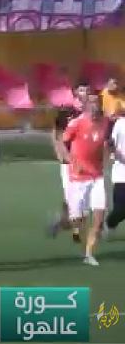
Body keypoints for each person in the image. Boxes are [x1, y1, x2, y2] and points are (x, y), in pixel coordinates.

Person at [62, 93, 108, 266]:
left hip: (97, 176)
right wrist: (72, 162)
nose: (95, 105)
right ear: (87, 105)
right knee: (79, 219)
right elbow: (62, 142)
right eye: (92, 102)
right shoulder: (77, 123)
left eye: (97, 102)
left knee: (99, 216)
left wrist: (106, 157)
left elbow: (105, 143)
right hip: (79, 177)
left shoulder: (104, 122)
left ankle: (89, 253)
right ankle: (67, 223)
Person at [46, 106, 83, 243]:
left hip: (74, 166)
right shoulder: (59, 133)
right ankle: (72, 228)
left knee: (74, 198)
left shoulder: (74, 130)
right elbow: (62, 152)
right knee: (72, 197)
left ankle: (66, 223)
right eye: (69, 117)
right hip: (68, 167)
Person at [105, 104, 125, 238]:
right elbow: (111, 143)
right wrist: (118, 155)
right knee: (120, 209)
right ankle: (110, 223)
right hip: (121, 174)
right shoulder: (120, 124)